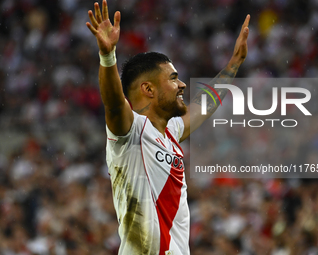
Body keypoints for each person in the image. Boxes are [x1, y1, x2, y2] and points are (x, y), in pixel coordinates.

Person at [86, 1, 249, 254]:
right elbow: (115, 104)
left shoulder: (171, 132)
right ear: (148, 89)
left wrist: (234, 63)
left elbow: (204, 105)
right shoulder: (131, 132)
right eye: (173, 78)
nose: (182, 84)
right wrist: (107, 56)